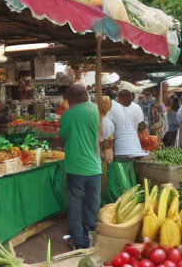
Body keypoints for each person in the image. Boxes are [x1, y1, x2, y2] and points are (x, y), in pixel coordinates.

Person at [59, 84, 101, 250]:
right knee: (92, 205)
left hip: (75, 168)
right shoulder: (96, 110)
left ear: (71, 99)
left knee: (75, 206)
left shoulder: (69, 115)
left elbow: (62, 137)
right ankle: (90, 234)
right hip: (94, 168)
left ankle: (79, 242)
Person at [103, 85, 147, 160]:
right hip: (136, 149)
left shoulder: (110, 106)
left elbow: (107, 130)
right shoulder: (137, 108)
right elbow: (141, 129)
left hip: (119, 150)